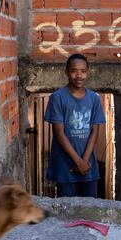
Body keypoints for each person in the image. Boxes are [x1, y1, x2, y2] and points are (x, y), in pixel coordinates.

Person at [44, 53, 105, 198]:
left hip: (88, 166)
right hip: (66, 166)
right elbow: (59, 133)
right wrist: (77, 161)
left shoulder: (94, 99)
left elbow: (94, 132)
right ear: (66, 72)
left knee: (90, 209)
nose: (79, 76)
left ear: (87, 73)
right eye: (74, 71)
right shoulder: (57, 97)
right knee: (67, 212)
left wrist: (84, 161)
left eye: (83, 71)